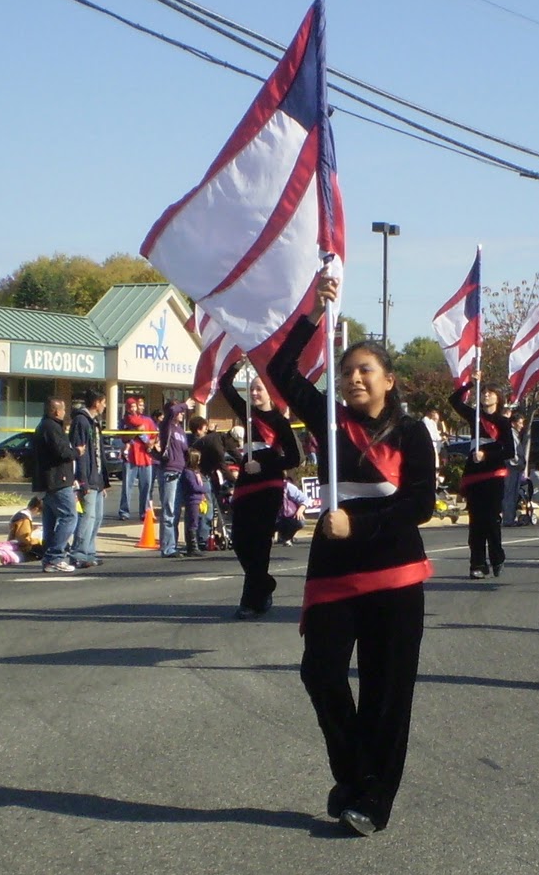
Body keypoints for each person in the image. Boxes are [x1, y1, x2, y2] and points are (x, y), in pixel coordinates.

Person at [268, 274, 436, 837]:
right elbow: (281, 371)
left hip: (395, 576)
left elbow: (420, 504)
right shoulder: (329, 421)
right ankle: (355, 773)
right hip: (334, 574)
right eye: (346, 371)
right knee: (320, 673)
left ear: (389, 380)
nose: (354, 378)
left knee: (387, 692)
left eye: (365, 370)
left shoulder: (411, 433)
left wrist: (357, 524)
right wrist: (315, 314)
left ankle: (373, 801)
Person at [220, 368, 301, 618]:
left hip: (269, 487)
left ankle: (251, 601)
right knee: (240, 540)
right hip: (245, 486)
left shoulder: (279, 421)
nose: (254, 393)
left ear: (270, 393)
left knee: (259, 544)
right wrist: (236, 362)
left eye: (259, 389)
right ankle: (264, 584)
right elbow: (225, 386)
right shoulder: (248, 415)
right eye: (252, 389)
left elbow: (295, 458)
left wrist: (265, 465)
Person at [450, 381, 515, 579]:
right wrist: (471, 383)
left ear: (498, 398)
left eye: (490, 392)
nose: (486, 395)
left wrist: (486, 455)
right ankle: (477, 563)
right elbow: (454, 400)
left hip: (494, 474)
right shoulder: (475, 417)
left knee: (491, 519)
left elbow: (509, 451)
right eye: (484, 392)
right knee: (476, 521)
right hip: (474, 474)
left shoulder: (503, 422)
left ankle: (497, 557)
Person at [32, 397, 79, 573]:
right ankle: (55, 556)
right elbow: (61, 452)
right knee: (69, 517)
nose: (65, 413)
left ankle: (48, 558)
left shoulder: (43, 426)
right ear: (56, 411)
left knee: (50, 521)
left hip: (48, 482)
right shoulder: (51, 427)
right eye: (63, 409)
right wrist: (76, 452)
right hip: (57, 481)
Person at [69, 389, 108, 569]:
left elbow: (99, 453)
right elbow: (80, 454)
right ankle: (78, 554)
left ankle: (90, 552)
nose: (105, 406)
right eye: (103, 402)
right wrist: (82, 480)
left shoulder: (95, 422)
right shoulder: (81, 421)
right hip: (87, 479)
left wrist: (103, 481)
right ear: (96, 403)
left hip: (97, 478)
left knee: (97, 517)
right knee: (87, 517)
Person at [156, 400, 190, 558]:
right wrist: (185, 404)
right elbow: (170, 413)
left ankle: (173, 544)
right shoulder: (166, 426)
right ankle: (167, 548)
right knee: (169, 510)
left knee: (176, 511)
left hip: (181, 471)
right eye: (179, 411)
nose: (182, 413)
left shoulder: (181, 431)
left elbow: (185, 451)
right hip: (169, 472)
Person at [116, 396, 157, 521]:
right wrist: (136, 431)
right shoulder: (125, 421)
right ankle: (124, 511)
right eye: (138, 405)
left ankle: (144, 512)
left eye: (142, 405)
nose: (140, 407)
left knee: (146, 486)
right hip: (131, 457)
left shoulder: (148, 420)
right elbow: (124, 438)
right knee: (127, 487)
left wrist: (150, 444)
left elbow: (155, 436)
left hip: (146, 458)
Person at [179, 449, 210, 556]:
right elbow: (194, 486)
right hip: (192, 500)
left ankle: (195, 545)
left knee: (197, 521)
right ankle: (192, 547)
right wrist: (205, 489)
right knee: (192, 523)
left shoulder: (196, 472)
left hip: (199, 499)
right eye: (198, 459)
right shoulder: (188, 473)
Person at [8, 496, 44, 561]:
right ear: (36, 509)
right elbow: (24, 539)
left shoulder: (21, 514)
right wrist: (39, 541)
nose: (38, 514)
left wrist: (34, 529)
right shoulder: (24, 519)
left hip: (17, 546)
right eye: (39, 512)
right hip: (21, 549)